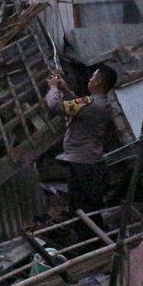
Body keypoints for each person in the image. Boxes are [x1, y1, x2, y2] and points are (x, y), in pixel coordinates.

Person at [45, 65, 118, 212]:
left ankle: (87, 233)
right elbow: (78, 106)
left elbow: (56, 107)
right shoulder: (102, 103)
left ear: (98, 81)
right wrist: (65, 89)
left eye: (93, 77)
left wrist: (53, 88)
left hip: (82, 164)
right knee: (90, 206)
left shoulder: (91, 104)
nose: (90, 79)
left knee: (81, 208)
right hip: (90, 161)